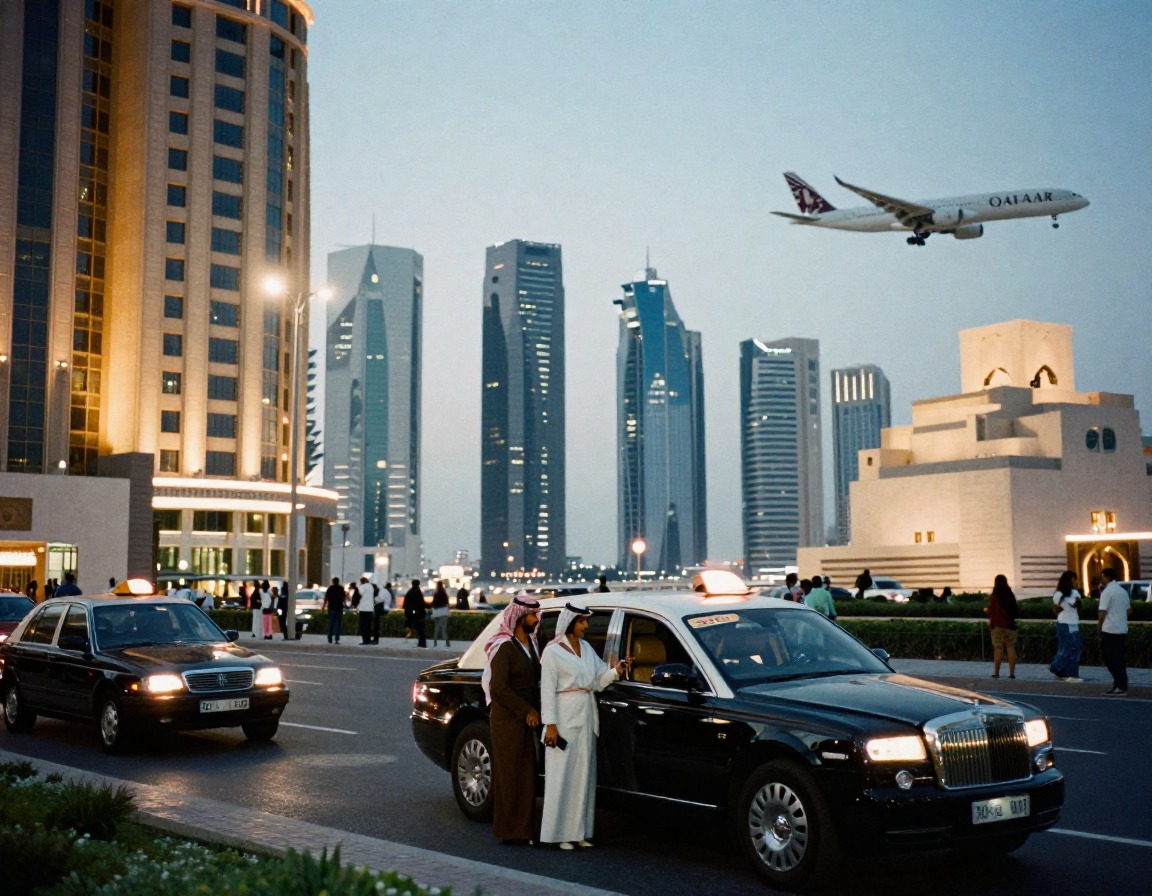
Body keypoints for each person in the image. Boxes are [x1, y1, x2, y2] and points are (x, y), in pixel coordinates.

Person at [539, 604, 631, 850]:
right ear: (571, 622)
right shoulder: (552, 652)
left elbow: (599, 681)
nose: (587, 626)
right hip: (563, 719)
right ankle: (559, 834)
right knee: (562, 776)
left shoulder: (588, 649)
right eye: (583, 622)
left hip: (586, 718)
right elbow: (546, 691)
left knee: (583, 777)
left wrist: (617, 670)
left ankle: (579, 832)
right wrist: (550, 725)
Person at [481, 594, 543, 844]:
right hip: (508, 719)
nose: (536, 620)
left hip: (526, 718)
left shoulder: (532, 644)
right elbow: (498, 688)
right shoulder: (504, 646)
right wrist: (525, 710)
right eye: (533, 615)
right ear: (519, 616)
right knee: (509, 775)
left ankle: (524, 830)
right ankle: (508, 831)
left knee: (527, 774)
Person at [1098, 567, 1130, 696]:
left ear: (1107, 577)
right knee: (1119, 658)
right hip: (1121, 629)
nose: (1101, 579)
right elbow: (1129, 611)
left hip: (1110, 630)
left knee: (1109, 658)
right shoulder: (1123, 591)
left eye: (1102, 577)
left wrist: (1099, 629)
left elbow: (1102, 612)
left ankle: (1120, 685)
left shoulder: (1107, 592)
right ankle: (1120, 684)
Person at [1048, 571, 1083, 682]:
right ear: (1068, 580)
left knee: (1067, 648)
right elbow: (1075, 606)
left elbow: (1059, 607)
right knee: (1072, 648)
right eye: (1074, 579)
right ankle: (1071, 674)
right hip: (1068, 623)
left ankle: (1059, 669)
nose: (1076, 582)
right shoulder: (1071, 593)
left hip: (1067, 622)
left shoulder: (1060, 594)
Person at [986, 574, 1019, 679]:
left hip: (997, 626)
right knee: (1010, 648)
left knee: (998, 649)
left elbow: (991, 611)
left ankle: (996, 673)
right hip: (1010, 625)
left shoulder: (994, 596)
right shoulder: (1010, 594)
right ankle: (1012, 674)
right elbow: (1016, 610)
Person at [403, 578, 427, 647]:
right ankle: (422, 643)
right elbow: (421, 603)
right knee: (420, 629)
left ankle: (421, 643)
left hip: (412, 613)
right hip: (418, 614)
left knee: (418, 629)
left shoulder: (409, 592)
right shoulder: (418, 592)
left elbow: (406, 604)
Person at [324, 577, 346, 644]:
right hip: (339, 608)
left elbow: (326, 598)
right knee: (338, 624)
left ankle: (330, 638)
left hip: (331, 608)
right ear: (338, 581)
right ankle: (337, 639)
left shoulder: (330, 588)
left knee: (331, 623)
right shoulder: (341, 588)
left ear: (333, 581)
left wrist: (323, 606)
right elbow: (343, 598)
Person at [356, 575, 376, 645]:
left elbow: (360, 594)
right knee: (368, 625)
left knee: (363, 625)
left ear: (361, 582)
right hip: (370, 609)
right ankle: (368, 639)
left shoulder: (362, 587)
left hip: (363, 608)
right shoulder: (371, 587)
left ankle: (365, 640)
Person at [431, 580, 451, 647]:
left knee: (436, 628)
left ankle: (435, 642)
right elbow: (447, 603)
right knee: (444, 628)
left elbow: (434, 603)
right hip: (444, 612)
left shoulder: (435, 593)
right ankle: (447, 642)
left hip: (437, 612)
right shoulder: (444, 593)